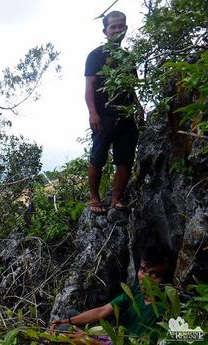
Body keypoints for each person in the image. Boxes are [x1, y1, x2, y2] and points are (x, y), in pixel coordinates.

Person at [49, 244, 175, 344]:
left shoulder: (164, 311)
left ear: (166, 279)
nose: (145, 279)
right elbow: (102, 311)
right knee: (70, 318)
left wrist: (88, 340)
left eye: (155, 275)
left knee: (64, 332)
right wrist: (67, 321)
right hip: (113, 337)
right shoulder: (136, 291)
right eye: (143, 270)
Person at [85, 11, 144, 214]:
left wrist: (138, 107)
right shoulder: (96, 56)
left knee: (125, 158)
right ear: (105, 31)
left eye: (121, 26)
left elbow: (130, 88)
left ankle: (116, 199)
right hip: (103, 116)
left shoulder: (128, 58)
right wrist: (93, 113)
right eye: (113, 27)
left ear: (126, 28)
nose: (117, 30)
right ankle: (94, 198)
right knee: (98, 156)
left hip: (126, 117)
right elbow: (89, 87)